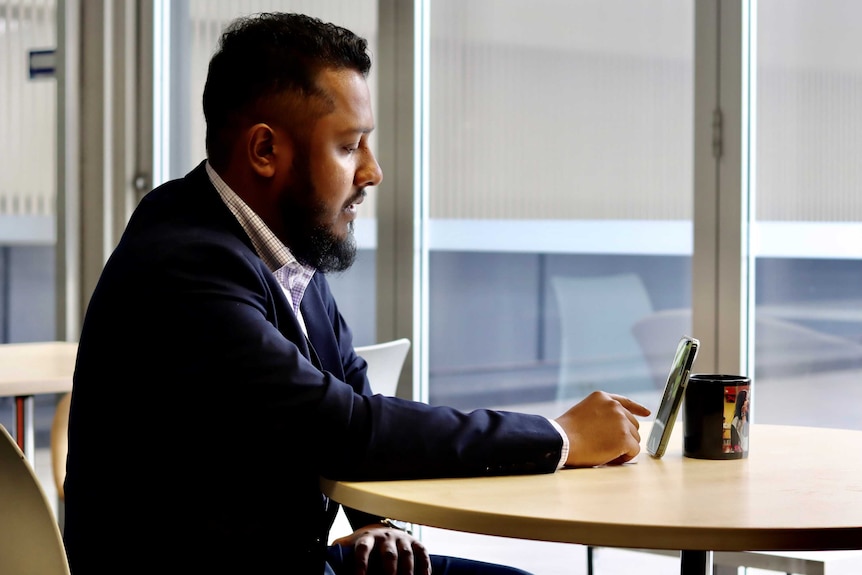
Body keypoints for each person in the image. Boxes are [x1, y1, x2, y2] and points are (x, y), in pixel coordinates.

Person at [63, 12, 650, 575]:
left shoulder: (275, 244)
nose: (372, 172)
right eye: (349, 146)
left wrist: (377, 522)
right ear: (265, 151)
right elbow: (341, 427)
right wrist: (560, 438)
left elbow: (347, 384)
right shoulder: (185, 264)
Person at [730, 388, 750, 452]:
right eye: (747, 399)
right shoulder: (735, 421)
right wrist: (743, 414)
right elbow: (735, 443)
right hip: (740, 451)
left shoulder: (748, 417)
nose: (748, 401)